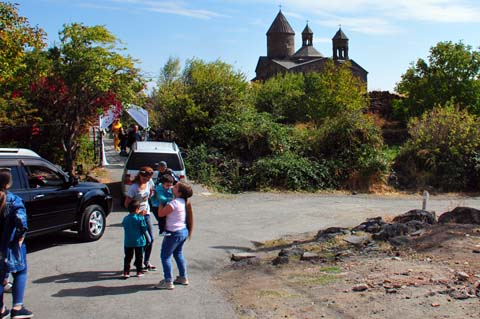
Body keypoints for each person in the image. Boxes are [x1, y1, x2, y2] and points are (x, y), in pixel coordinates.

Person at [0, 169, 34, 319]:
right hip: (11, 244)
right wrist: (20, 238)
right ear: (7, 184)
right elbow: (21, 222)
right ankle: (17, 307)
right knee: (20, 272)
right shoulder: (13, 200)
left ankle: (1, 309)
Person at [155, 182, 193, 290]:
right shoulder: (182, 202)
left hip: (173, 233)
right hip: (182, 231)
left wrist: (160, 201)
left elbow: (161, 213)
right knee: (178, 253)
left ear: (180, 192)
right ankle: (183, 277)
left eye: (175, 187)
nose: (172, 187)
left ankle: (168, 281)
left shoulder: (174, 203)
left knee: (165, 256)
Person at [124, 166, 157, 272]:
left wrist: (150, 196)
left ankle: (146, 261)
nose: (146, 180)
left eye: (148, 179)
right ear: (140, 176)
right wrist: (136, 212)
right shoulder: (134, 187)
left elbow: (151, 191)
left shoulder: (149, 182)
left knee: (151, 239)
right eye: (144, 179)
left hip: (146, 214)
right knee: (144, 240)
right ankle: (139, 261)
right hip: (138, 217)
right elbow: (127, 203)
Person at [122, 200, 148, 278]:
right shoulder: (139, 218)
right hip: (138, 241)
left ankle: (126, 272)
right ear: (137, 209)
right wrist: (142, 217)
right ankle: (139, 271)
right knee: (139, 257)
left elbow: (124, 225)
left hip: (128, 241)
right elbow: (144, 228)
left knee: (128, 257)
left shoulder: (126, 218)